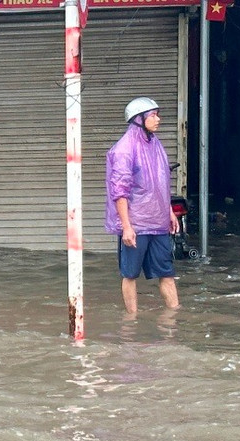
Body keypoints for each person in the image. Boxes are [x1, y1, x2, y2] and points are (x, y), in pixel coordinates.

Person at [106, 97, 180, 314]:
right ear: (138, 119)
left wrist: (169, 213)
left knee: (166, 272)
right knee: (130, 275)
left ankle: (174, 319)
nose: (158, 119)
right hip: (136, 225)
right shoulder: (124, 150)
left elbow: (160, 183)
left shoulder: (155, 144)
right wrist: (126, 226)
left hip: (157, 223)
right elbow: (120, 191)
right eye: (153, 115)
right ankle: (131, 321)